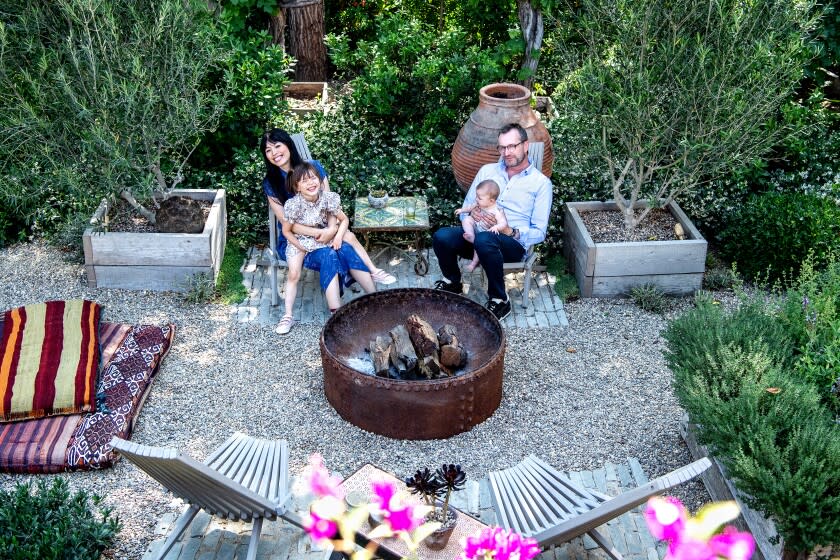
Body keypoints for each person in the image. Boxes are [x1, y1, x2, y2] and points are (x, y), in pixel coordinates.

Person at [260, 129, 396, 334]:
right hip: (299, 239)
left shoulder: (313, 168)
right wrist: (319, 234)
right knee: (332, 252)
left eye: (277, 145)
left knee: (346, 244)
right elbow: (288, 225)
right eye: (268, 150)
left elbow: (330, 204)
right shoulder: (271, 183)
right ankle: (335, 311)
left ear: (288, 145)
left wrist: (332, 229)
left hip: (326, 227)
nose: (274, 153)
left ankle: (374, 298)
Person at [432, 123, 552, 320]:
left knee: (486, 239)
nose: (507, 152)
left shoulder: (540, 184)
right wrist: (473, 217)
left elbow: (539, 232)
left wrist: (509, 231)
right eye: (502, 147)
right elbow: (467, 207)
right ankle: (453, 282)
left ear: (525, 145)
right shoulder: (487, 171)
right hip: (477, 236)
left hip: (510, 244)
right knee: (442, 236)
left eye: (512, 146)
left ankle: (500, 299)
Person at [277, 162, 377, 334]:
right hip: (299, 243)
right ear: (297, 187)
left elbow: (343, 219)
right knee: (294, 274)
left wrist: (336, 236)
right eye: (304, 181)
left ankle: (375, 297)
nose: (311, 183)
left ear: (320, 180)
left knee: (344, 250)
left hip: (321, 239)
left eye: (313, 178)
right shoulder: (293, 205)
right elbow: (287, 231)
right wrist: (301, 247)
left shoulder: (327, 198)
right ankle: (289, 315)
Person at [453, 179, 508, 272]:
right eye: (477, 196)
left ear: (491, 201)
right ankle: (471, 235)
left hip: (485, 233)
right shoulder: (479, 204)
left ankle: (473, 264)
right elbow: (470, 208)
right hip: (476, 227)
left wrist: (496, 227)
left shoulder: (497, 210)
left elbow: (503, 223)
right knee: (467, 219)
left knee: (478, 247)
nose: (476, 199)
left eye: (479, 198)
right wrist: (462, 210)